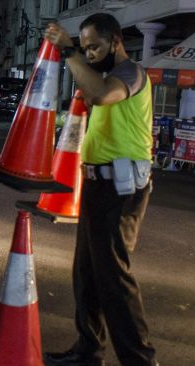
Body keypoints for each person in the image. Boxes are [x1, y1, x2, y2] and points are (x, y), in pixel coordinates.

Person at [43, 13, 158, 366]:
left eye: (95, 46)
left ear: (116, 42)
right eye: (86, 47)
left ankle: (140, 360)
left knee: (113, 279)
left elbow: (101, 94)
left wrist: (69, 52)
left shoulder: (129, 73)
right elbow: (90, 93)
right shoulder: (106, 73)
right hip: (97, 186)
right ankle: (88, 351)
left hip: (121, 189)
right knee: (87, 274)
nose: (90, 53)